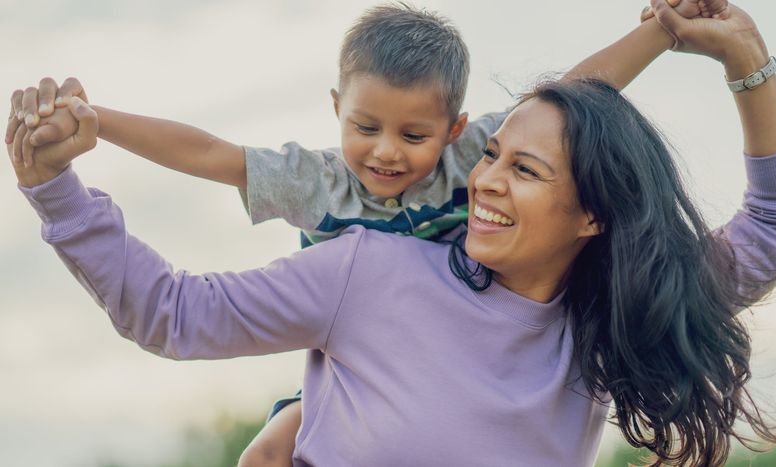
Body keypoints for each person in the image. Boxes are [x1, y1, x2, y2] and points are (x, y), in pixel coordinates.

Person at [5, 1, 730, 465]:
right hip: (349, 362)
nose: (386, 153)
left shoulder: (471, 159)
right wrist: (98, 122)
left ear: (452, 128)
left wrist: (660, 31)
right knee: (266, 452)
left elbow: (575, 94)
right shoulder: (317, 182)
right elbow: (206, 151)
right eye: (365, 127)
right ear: (335, 109)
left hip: (440, 350)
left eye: (413, 134)